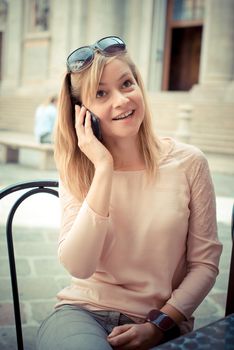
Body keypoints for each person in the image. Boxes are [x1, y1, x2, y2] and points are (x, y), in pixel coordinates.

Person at [36, 36, 222, 350]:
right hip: (83, 314)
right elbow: (79, 266)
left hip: (163, 320)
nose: (121, 100)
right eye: (101, 93)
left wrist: (159, 324)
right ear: (83, 112)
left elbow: (204, 265)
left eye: (127, 83)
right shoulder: (80, 169)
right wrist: (104, 169)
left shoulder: (189, 162)